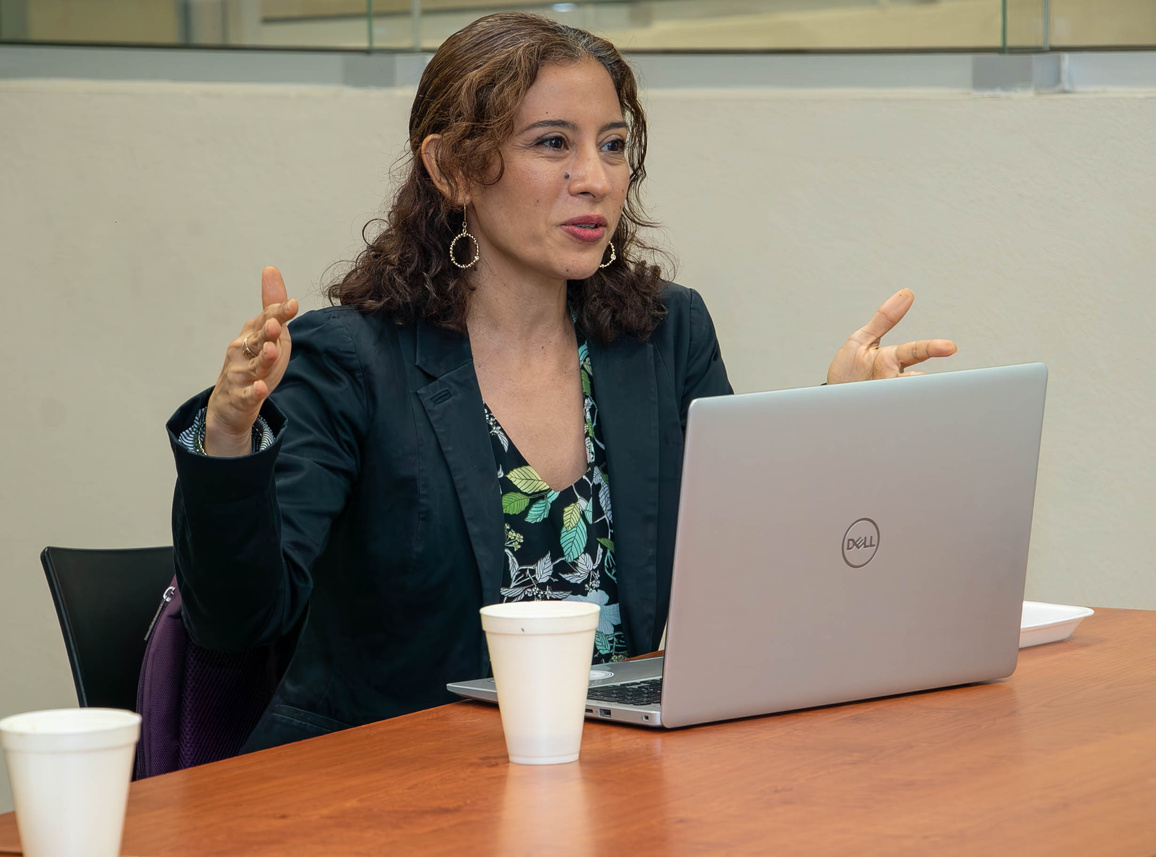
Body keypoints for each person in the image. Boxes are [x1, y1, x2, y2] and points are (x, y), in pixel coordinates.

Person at [167, 12, 956, 752]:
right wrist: (230, 437)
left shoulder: (664, 336)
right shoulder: (351, 359)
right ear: (451, 168)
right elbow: (239, 621)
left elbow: (745, 569)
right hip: (393, 780)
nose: (596, 179)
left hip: (614, 775)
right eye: (553, 144)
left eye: (612, 146)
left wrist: (841, 421)